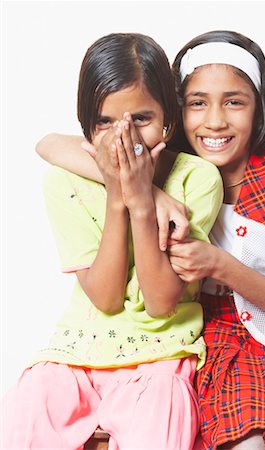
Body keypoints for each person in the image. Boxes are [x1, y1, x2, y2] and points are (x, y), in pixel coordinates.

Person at [36, 30, 265, 450]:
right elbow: (52, 144)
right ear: (176, 112)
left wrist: (216, 263)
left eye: (234, 101)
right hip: (191, 338)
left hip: (255, 341)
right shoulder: (172, 171)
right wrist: (150, 194)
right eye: (197, 102)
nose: (214, 120)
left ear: (259, 106)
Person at [1, 33, 224, 450]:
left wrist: (141, 202)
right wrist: (119, 196)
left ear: (168, 121)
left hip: (162, 355)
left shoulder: (197, 180)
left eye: (142, 118)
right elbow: (104, 298)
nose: (125, 136)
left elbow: (161, 303)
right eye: (105, 122)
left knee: (165, 409)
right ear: (86, 124)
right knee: (30, 403)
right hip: (74, 355)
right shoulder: (64, 181)